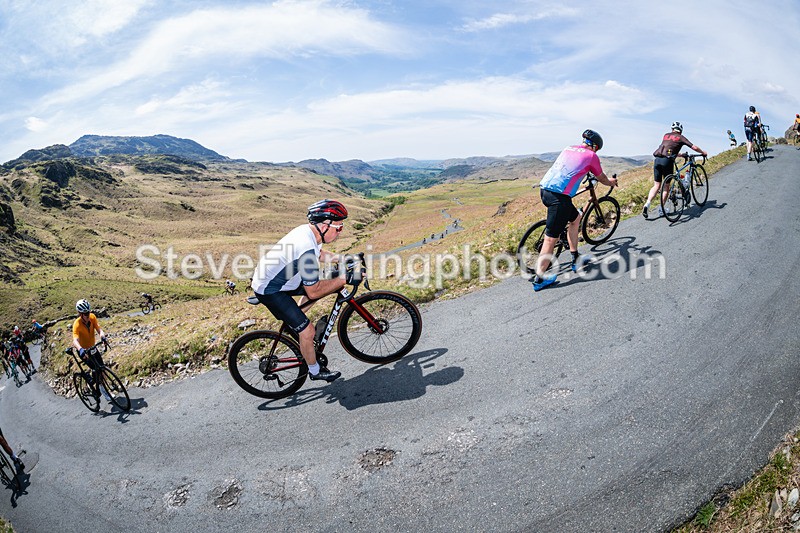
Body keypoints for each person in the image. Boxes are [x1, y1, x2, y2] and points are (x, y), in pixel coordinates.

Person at [251, 199, 350, 382]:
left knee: (325, 284)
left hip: (282, 278)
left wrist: (343, 259)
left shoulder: (310, 233)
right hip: (271, 289)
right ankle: (315, 371)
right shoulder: (305, 248)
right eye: (339, 227)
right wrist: (344, 279)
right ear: (325, 225)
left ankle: (294, 320)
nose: (340, 232)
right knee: (308, 331)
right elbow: (313, 292)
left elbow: (319, 254)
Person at [533, 130, 618, 291]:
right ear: (594, 146)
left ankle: (575, 258)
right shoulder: (592, 156)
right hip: (559, 198)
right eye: (597, 149)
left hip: (545, 190)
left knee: (576, 218)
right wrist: (612, 182)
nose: (596, 152)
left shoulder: (569, 148)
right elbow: (603, 179)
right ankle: (539, 279)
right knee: (551, 239)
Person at [642, 122, 707, 219]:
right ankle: (661, 209)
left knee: (656, 185)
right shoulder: (681, 137)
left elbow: (668, 149)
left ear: (672, 129)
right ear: (680, 131)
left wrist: (680, 155)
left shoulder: (666, 135)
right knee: (666, 187)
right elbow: (694, 147)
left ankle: (647, 204)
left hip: (657, 160)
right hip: (667, 162)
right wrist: (703, 152)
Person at [72, 299, 111, 401]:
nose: (87, 315)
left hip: (92, 348)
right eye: (85, 313)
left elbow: (99, 329)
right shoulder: (77, 324)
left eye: (88, 312)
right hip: (83, 351)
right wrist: (80, 349)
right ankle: (96, 386)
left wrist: (102, 337)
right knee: (96, 369)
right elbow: (75, 341)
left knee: (101, 368)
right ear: (80, 313)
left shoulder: (92, 317)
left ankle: (102, 387)